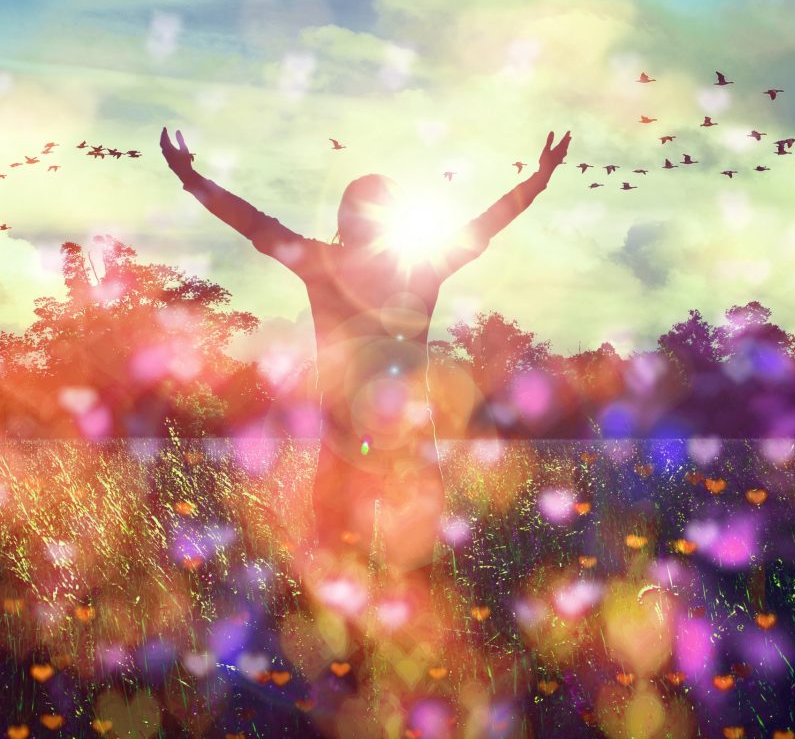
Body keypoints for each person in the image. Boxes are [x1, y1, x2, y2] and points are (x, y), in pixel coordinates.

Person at [160, 127, 571, 589]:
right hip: (408, 445)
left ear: (344, 218)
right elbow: (486, 225)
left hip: (345, 442)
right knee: (416, 584)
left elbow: (254, 224)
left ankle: (351, 659)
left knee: (344, 578)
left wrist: (189, 176)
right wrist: (540, 177)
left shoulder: (322, 265)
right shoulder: (421, 267)